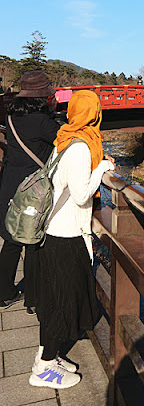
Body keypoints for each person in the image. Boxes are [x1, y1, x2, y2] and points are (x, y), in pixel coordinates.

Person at [29, 89, 115, 390]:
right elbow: (80, 196)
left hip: (53, 233)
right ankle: (43, 369)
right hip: (66, 237)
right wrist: (102, 167)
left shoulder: (64, 139)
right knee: (61, 303)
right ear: (95, 114)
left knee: (54, 300)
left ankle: (46, 357)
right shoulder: (80, 147)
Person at [0, 70, 60, 311]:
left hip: (10, 184)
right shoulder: (44, 122)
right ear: (42, 97)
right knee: (34, 241)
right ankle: (34, 298)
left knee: (12, 239)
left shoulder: (12, 116)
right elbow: (64, 142)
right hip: (32, 190)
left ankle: (4, 292)